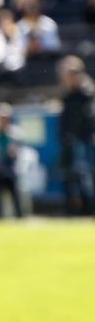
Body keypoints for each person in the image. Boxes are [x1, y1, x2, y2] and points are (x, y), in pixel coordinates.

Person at [57, 55, 94, 215]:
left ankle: (88, 209)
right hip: (69, 143)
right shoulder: (67, 96)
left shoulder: (87, 95)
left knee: (85, 177)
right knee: (68, 176)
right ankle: (71, 209)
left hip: (83, 141)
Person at [0, 103, 26, 218]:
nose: (3, 121)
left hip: (10, 171)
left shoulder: (16, 136)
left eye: (6, 119)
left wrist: (14, 154)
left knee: (13, 185)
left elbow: (21, 156)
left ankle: (19, 216)